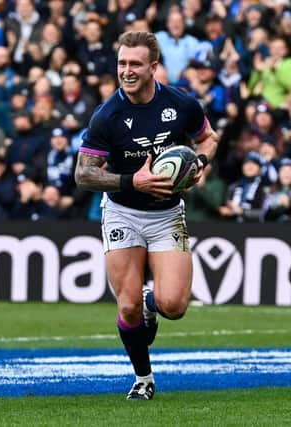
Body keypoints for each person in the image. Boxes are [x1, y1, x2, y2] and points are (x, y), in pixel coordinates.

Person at [74, 31, 219, 400]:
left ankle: (151, 303)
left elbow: (208, 138)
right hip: (123, 211)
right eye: (122, 63)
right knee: (126, 304)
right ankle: (143, 378)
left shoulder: (181, 104)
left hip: (167, 214)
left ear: (154, 67)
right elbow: (84, 174)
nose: (126, 71)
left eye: (135, 64)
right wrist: (130, 180)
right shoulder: (107, 115)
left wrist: (199, 164)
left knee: (174, 306)